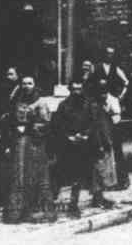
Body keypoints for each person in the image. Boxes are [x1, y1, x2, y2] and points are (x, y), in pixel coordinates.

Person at [3, 76, 55, 224]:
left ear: (35, 85)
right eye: (24, 83)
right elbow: (11, 120)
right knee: (19, 176)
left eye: (29, 83)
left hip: (35, 143)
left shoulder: (41, 101)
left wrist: (30, 127)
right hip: (19, 144)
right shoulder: (17, 100)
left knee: (36, 175)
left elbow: (45, 123)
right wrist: (14, 129)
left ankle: (37, 211)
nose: (26, 86)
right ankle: (17, 213)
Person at [52, 80, 96, 218]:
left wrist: (85, 135)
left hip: (83, 145)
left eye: (79, 89)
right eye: (74, 89)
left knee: (79, 176)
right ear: (70, 90)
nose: (77, 92)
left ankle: (74, 205)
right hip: (67, 146)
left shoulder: (88, 104)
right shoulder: (63, 106)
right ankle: (52, 202)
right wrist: (68, 136)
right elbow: (57, 125)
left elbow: (93, 122)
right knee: (61, 174)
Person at [90, 85, 118, 209]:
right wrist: (100, 144)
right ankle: (97, 198)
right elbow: (96, 128)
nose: (104, 95)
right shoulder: (95, 108)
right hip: (99, 144)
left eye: (106, 93)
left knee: (104, 171)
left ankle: (100, 197)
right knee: (98, 172)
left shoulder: (103, 107)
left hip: (105, 142)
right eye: (101, 93)